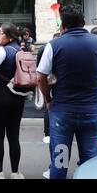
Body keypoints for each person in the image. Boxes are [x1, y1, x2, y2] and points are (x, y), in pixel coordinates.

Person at [37, 4, 97, 179]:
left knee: (60, 164)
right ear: (83, 22)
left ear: (63, 25)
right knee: (91, 165)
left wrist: (48, 100)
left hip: (62, 116)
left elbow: (40, 78)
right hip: (91, 113)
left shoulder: (53, 46)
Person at [0, 23, 26, 179]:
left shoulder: (2, 50)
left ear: (9, 36)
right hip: (17, 98)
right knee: (14, 136)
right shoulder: (20, 50)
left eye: (0, 33)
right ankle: (16, 172)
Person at [36, 32, 61, 179]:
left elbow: (41, 75)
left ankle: (56, 171)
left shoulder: (51, 47)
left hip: (61, 103)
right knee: (89, 153)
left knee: (60, 147)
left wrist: (47, 99)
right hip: (89, 106)